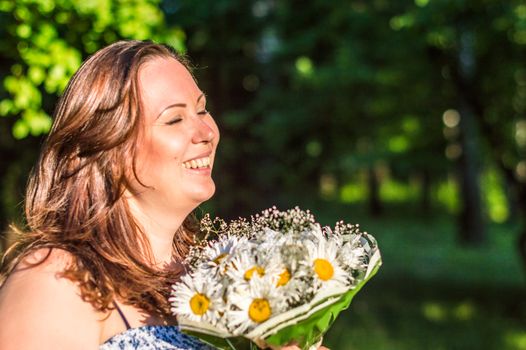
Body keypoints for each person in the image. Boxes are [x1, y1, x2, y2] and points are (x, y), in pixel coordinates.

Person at [0, 40, 326, 350]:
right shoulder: (59, 278)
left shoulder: (224, 279)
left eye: (202, 110)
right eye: (174, 119)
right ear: (106, 150)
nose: (207, 132)